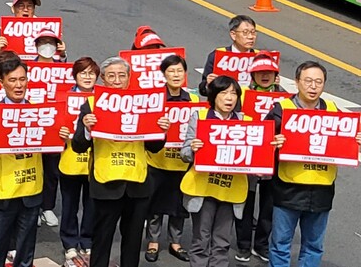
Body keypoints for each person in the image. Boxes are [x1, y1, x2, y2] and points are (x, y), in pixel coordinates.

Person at [0, 51, 67, 267]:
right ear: (1, 82)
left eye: (22, 79)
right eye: (12, 80)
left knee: (25, 255)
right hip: (2, 192)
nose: (18, 85)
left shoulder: (40, 112)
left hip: (31, 192)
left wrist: (62, 140)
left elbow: (52, 153)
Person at [73, 56, 169, 267]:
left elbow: (153, 147)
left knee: (133, 242)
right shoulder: (91, 104)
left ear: (128, 78)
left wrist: (161, 131)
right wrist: (88, 130)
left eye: (122, 75)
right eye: (111, 76)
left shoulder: (144, 104)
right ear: (103, 79)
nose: (117, 80)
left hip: (137, 183)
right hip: (106, 182)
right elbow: (78, 145)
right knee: (102, 239)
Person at [265, 61, 359, 267]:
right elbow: (261, 144)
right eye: (308, 81)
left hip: (321, 191)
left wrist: (355, 140)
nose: (313, 86)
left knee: (314, 245)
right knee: (281, 244)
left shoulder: (335, 112)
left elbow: (344, 143)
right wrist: (273, 143)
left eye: (319, 82)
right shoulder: (281, 110)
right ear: (297, 82)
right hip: (287, 190)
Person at [180, 76, 248, 267]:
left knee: (222, 242)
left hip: (230, 188)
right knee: (201, 240)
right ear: (213, 95)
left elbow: (257, 157)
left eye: (234, 93)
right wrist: (192, 149)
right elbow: (184, 152)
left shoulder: (246, 123)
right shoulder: (200, 117)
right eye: (224, 93)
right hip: (203, 188)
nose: (229, 98)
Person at [145, 53, 198, 262]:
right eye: (171, 71)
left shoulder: (193, 99)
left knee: (179, 205)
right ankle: (153, 241)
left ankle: (175, 242)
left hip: (181, 162)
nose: (176, 75)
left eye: (179, 70)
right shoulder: (155, 98)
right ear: (163, 74)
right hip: (157, 160)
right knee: (154, 205)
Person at [235, 52, 280, 263]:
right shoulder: (241, 94)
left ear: (275, 75)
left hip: (273, 159)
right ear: (252, 75)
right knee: (246, 203)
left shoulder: (285, 99)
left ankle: (261, 244)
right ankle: (243, 245)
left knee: (268, 205)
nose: (264, 76)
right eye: (260, 72)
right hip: (248, 156)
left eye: (269, 72)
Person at [58, 57, 99, 266]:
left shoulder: (104, 99)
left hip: (96, 162)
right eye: (83, 73)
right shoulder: (63, 97)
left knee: (92, 205)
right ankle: (69, 242)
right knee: (69, 205)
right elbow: (52, 122)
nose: (87, 77)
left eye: (91, 73)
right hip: (70, 160)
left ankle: (87, 239)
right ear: (75, 75)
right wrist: (59, 131)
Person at [201, 14, 259, 87]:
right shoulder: (218, 55)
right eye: (245, 32)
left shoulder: (260, 57)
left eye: (253, 32)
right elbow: (202, 88)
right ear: (233, 35)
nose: (251, 37)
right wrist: (208, 83)